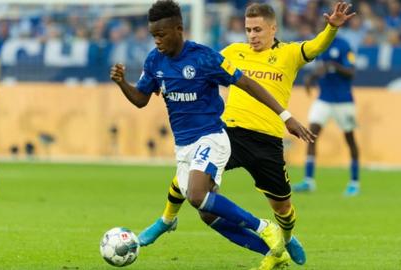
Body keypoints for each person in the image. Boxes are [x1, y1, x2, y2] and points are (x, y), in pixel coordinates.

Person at [136, 1, 355, 268]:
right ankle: (166, 220)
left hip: (268, 141)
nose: (252, 35)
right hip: (231, 133)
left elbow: (316, 46)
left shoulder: (289, 54)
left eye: (258, 30)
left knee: (283, 209)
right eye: (248, 30)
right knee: (195, 183)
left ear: (273, 28)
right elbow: (200, 66)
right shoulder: (233, 52)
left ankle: (284, 242)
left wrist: (330, 28)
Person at [292, 35, 360, 196]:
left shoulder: (344, 45)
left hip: (343, 100)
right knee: (311, 134)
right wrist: (312, 77)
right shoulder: (320, 44)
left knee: (350, 139)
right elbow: (322, 68)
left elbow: (351, 72)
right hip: (323, 99)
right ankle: (309, 181)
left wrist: (333, 65)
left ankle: (354, 182)